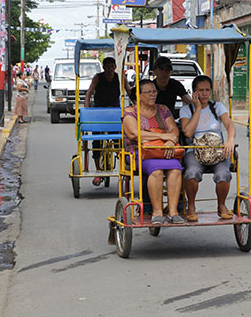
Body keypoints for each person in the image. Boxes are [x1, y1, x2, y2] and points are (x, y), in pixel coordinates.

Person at [122, 79, 184, 224]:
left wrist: (170, 141)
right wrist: (163, 136)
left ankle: (173, 212)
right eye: (148, 92)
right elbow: (134, 134)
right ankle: (157, 212)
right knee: (156, 171)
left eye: (154, 91)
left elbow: (174, 131)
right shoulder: (130, 112)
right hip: (140, 152)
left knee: (176, 169)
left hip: (164, 151)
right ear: (139, 95)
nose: (152, 94)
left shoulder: (163, 110)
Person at [180, 75, 236, 221]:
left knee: (224, 174)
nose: (204, 94)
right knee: (191, 173)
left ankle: (222, 205)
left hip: (217, 150)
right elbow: (187, 132)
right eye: (200, 90)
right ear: (194, 92)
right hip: (194, 151)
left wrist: (230, 139)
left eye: (207, 90)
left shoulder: (217, 107)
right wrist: (198, 108)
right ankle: (191, 206)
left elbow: (229, 125)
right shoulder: (186, 110)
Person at [84, 57, 128, 185]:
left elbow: (129, 92)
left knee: (119, 141)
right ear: (103, 67)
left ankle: (123, 168)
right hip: (99, 112)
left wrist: (136, 104)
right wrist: (87, 110)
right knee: (96, 141)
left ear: (115, 67)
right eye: (107, 66)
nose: (109, 69)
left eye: (111, 66)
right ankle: (98, 170)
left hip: (114, 113)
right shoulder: (98, 77)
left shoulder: (121, 78)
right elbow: (89, 93)